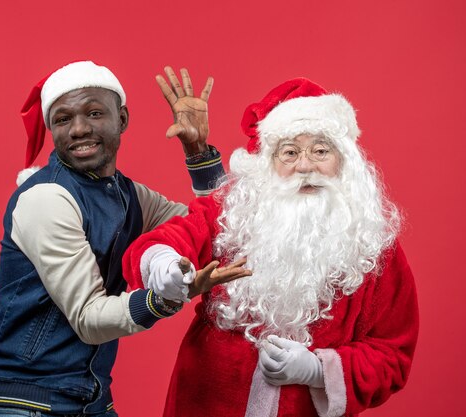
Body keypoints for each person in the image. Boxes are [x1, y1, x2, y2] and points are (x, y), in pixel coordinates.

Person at [123, 78, 419, 417]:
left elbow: (393, 353)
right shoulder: (234, 213)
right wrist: (163, 263)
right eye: (290, 152)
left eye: (320, 151)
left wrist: (318, 370)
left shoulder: (373, 245)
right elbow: (170, 238)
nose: (305, 167)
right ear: (268, 162)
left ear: (344, 161)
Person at [0, 61, 249, 417]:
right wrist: (164, 297)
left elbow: (218, 231)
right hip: (24, 402)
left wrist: (197, 152)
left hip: (90, 399)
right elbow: (89, 319)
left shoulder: (127, 195)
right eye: (62, 119)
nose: (79, 129)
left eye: (94, 112)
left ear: (122, 119)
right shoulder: (46, 199)